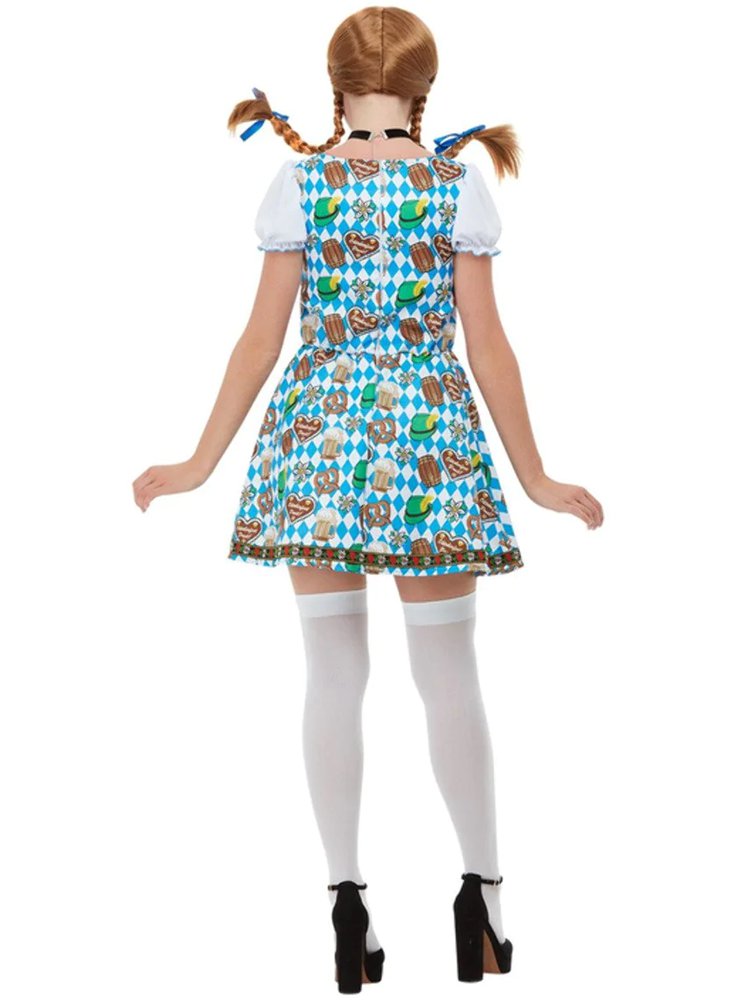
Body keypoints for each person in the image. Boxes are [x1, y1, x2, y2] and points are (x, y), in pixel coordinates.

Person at [132, 6, 604, 992]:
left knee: (332, 675)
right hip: (431, 448)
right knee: (451, 675)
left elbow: (260, 343)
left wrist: (201, 460)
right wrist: (535, 477)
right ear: (423, 88)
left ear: (336, 84)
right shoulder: (455, 187)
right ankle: (484, 899)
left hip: (317, 445)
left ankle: (346, 901)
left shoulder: (302, 183)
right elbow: (489, 347)